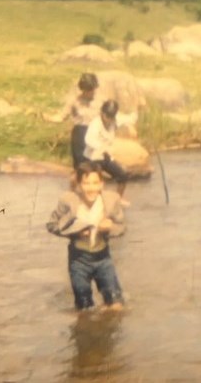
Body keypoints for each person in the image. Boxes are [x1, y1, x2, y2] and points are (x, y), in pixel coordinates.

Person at [47, 161, 125, 312]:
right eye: (86, 183)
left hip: (103, 259)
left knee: (116, 305)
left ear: (102, 184)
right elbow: (51, 225)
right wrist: (75, 232)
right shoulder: (68, 200)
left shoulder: (110, 200)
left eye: (95, 183)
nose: (91, 188)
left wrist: (109, 228)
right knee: (84, 308)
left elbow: (121, 226)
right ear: (79, 184)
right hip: (79, 261)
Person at [44, 73, 104, 170]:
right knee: (80, 166)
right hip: (80, 135)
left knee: (95, 165)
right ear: (83, 89)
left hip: (95, 134)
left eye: (92, 89)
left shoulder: (100, 101)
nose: (91, 92)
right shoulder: (75, 101)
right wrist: (48, 117)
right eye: (88, 89)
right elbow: (61, 117)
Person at [84, 99, 129, 202]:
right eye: (107, 116)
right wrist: (101, 147)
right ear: (102, 113)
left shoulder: (114, 120)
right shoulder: (95, 124)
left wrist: (130, 126)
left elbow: (127, 119)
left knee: (123, 175)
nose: (109, 119)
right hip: (93, 158)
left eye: (112, 116)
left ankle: (118, 198)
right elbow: (88, 139)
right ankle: (95, 201)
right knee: (97, 180)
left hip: (106, 157)